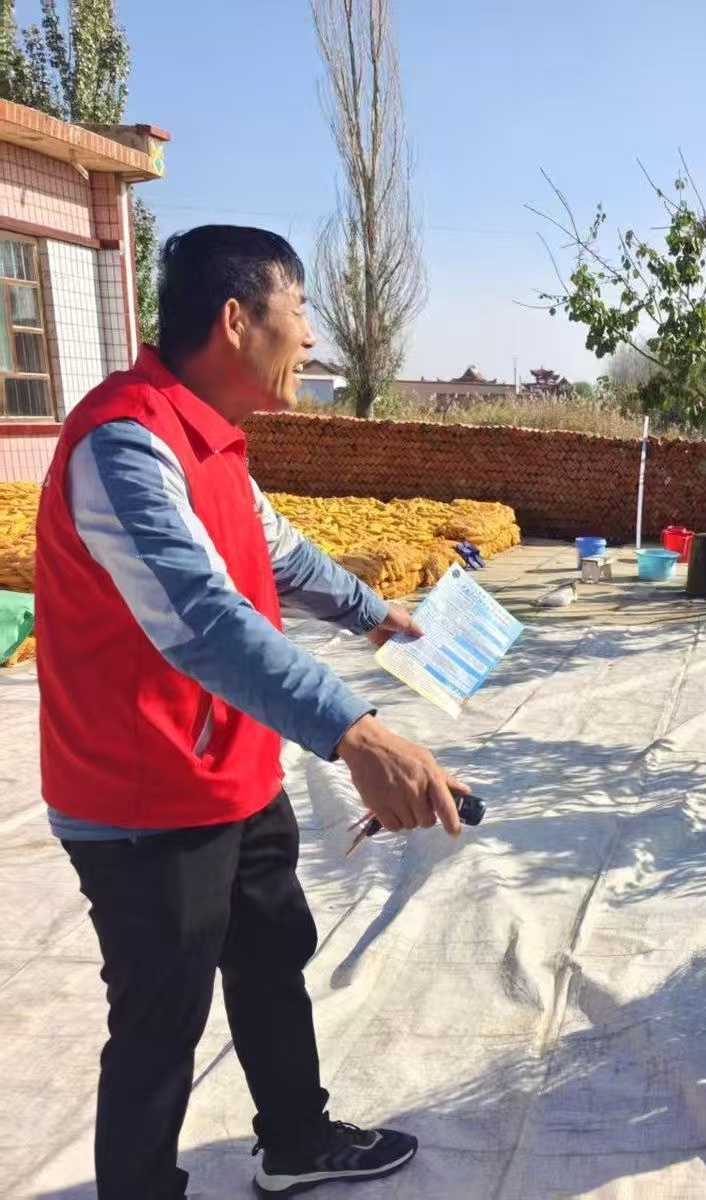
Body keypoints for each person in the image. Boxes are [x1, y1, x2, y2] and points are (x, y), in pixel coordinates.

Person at [34, 226, 468, 1199]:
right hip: (142, 799)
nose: (311, 338)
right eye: (300, 310)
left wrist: (370, 612)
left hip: (234, 772)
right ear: (237, 319)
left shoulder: (213, 440)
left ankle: (296, 1141)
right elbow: (202, 620)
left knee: (272, 954)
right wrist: (355, 733)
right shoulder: (124, 443)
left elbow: (275, 549)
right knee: (160, 1020)